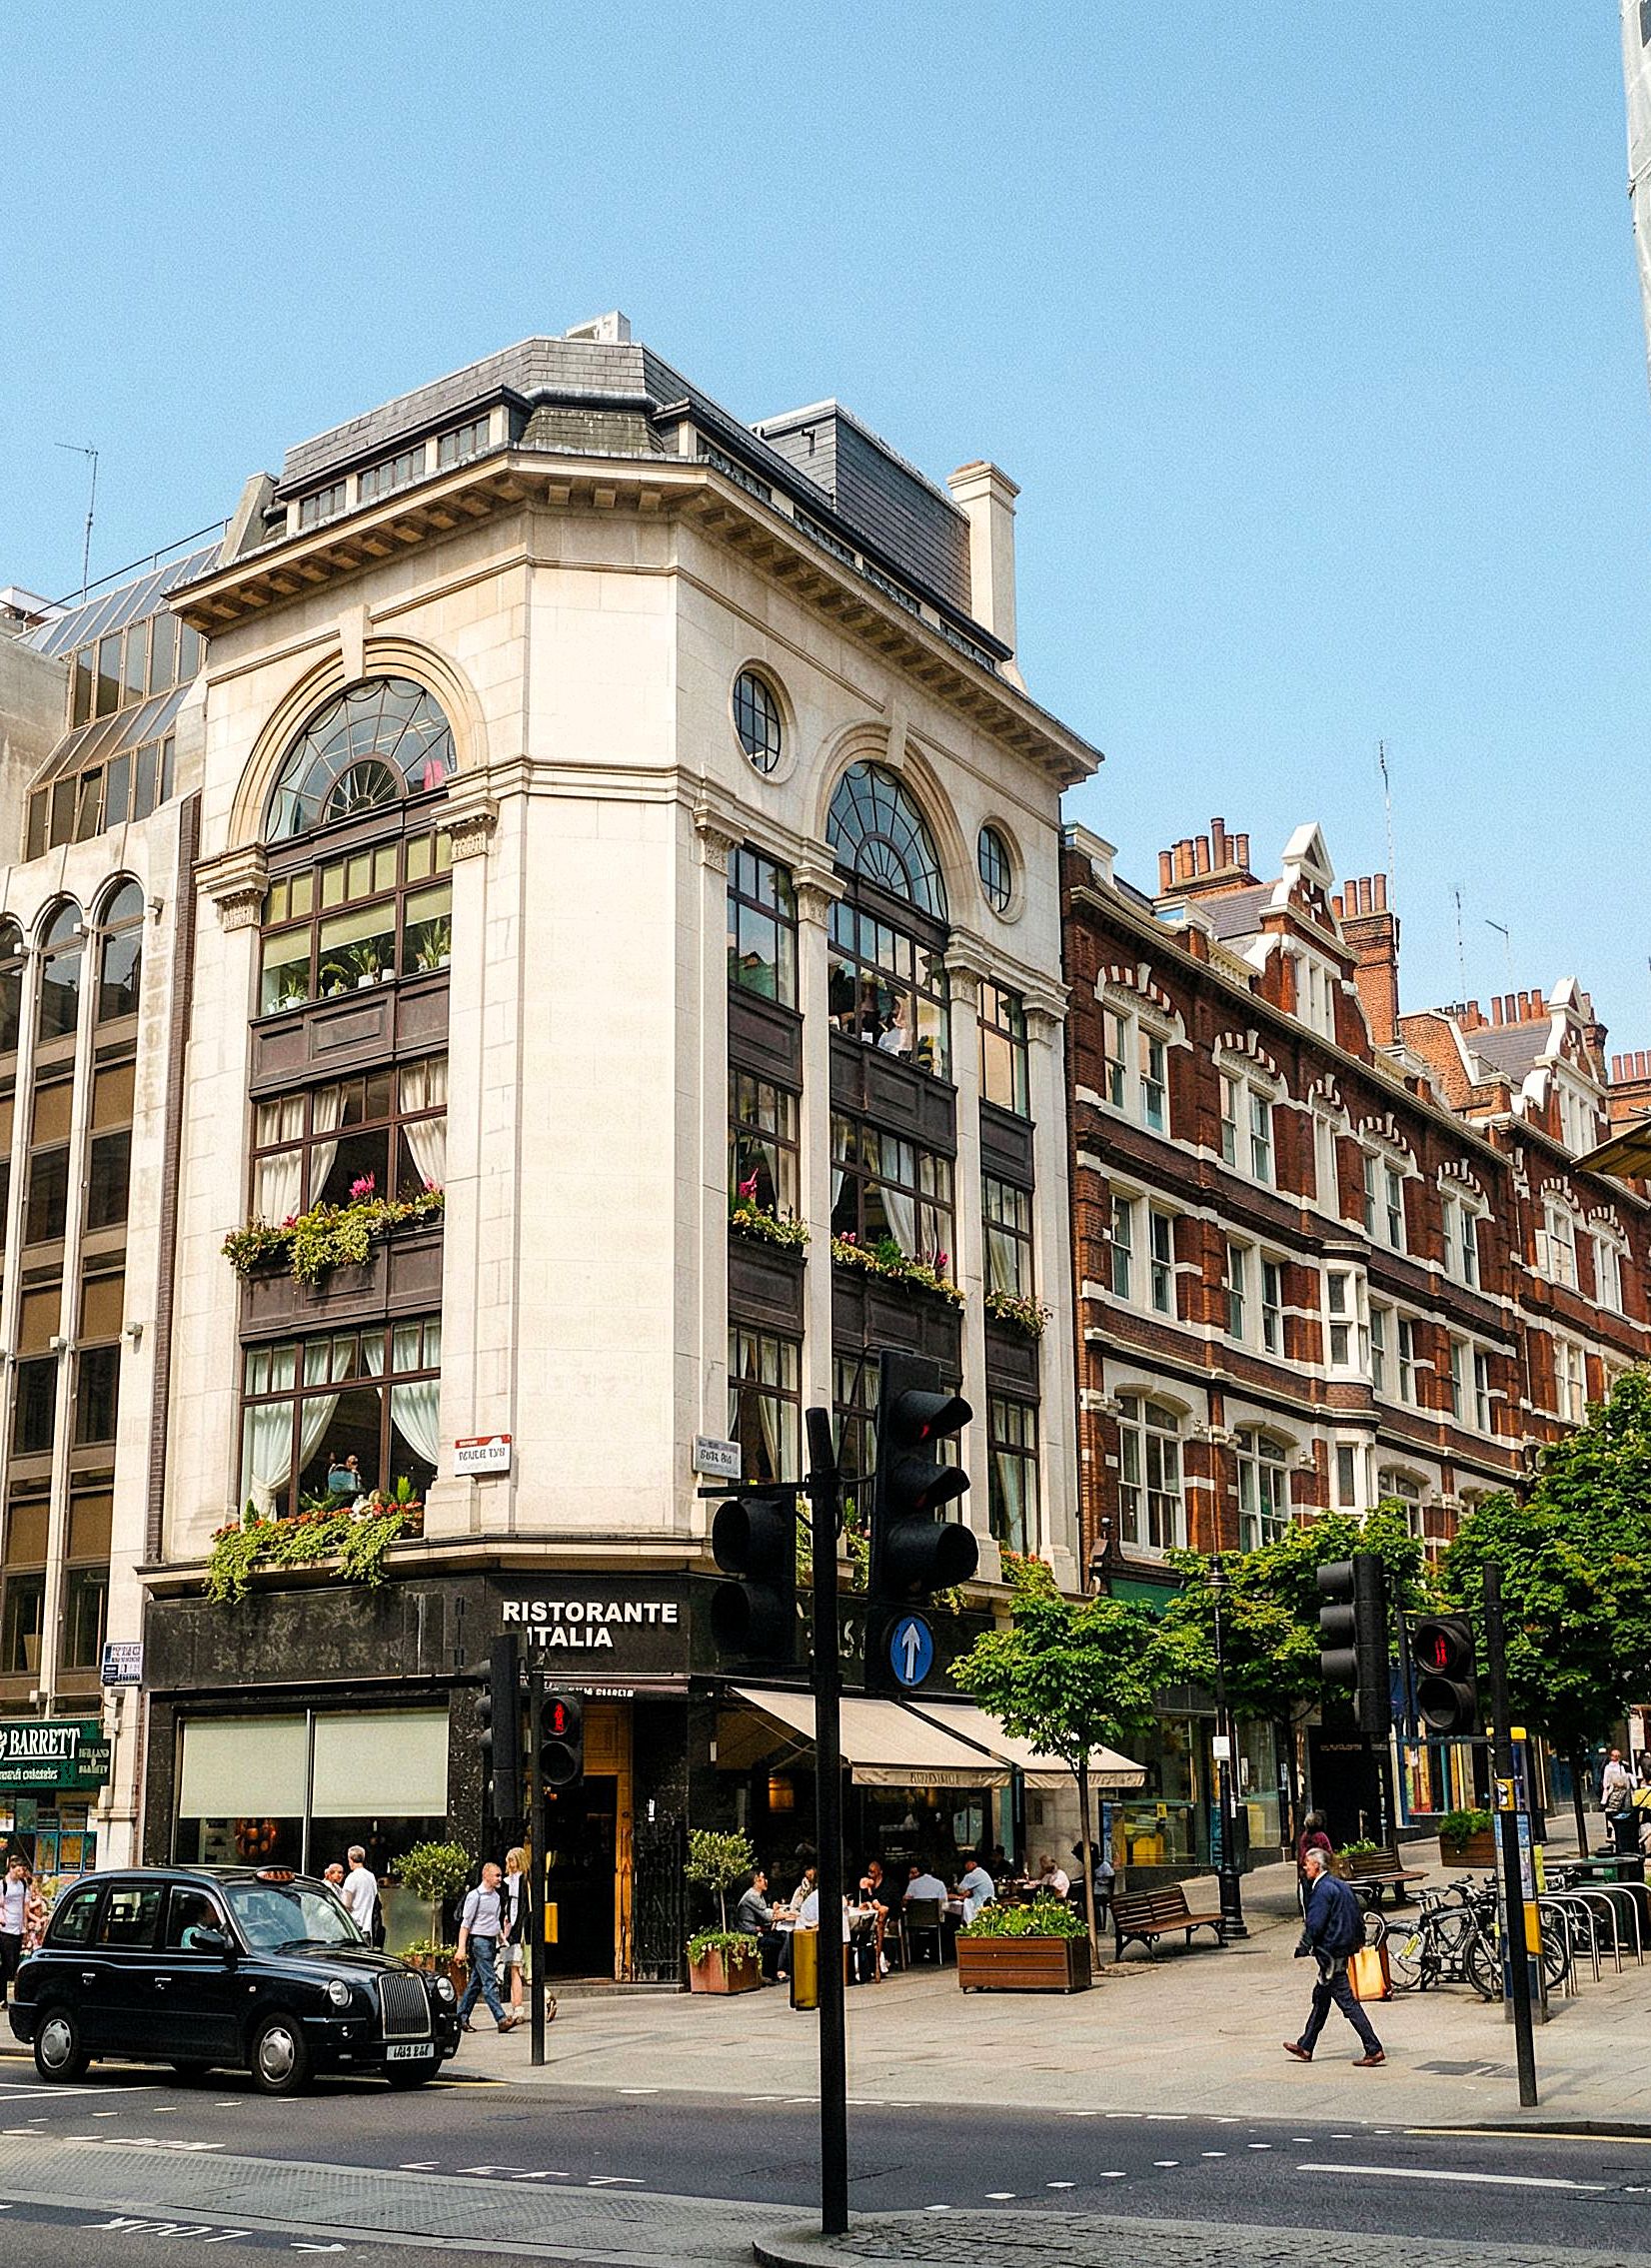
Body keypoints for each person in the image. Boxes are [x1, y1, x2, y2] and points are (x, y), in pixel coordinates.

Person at [1283, 1845, 1384, 2067]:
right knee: (1321, 1998)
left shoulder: (1321, 1890)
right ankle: (1306, 2045)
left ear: (1317, 1866)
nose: (1304, 1867)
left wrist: (1304, 1945)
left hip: (1330, 1952)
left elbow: (1316, 1923)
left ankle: (1373, 2048)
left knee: (1347, 2002)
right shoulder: (1341, 1886)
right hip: (1342, 1948)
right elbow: (1357, 1915)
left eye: (1307, 1864)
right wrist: (1358, 1941)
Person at [457, 1861, 519, 2033]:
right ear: (486, 1876)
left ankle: (460, 2017)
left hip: (491, 1941)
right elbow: (465, 1924)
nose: (500, 1879)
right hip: (480, 1942)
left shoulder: (496, 1897)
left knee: (476, 1983)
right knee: (489, 1981)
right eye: (496, 1876)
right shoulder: (474, 1896)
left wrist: (501, 1938)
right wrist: (461, 1948)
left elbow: (494, 1921)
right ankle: (500, 2018)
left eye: (500, 1875)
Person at [734, 1867, 789, 1983]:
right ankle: (770, 1974)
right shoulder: (751, 1896)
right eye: (762, 1878)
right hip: (750, 1933)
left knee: (784, 1935)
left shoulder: (759, 1895)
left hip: (758, 1930)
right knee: (775, 1942)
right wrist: (783, 1914)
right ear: (756, 1881)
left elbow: (765, 1916)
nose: (765, 1881)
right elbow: (767, 1915)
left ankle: (776, 1971)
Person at [502, 1846, 531, 2017]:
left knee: (523, 1969)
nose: (509, 1864)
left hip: (521, 1928)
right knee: (514, 1967)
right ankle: (517, 2007)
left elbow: (524, 1907)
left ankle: (545, 1998)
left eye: (511, 1860)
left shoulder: (524, 1879)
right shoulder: (507, 1881)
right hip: (511, 1926)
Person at [1295, 1809, 1334, 1915]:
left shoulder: (1304, 1837)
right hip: (1319, 1871)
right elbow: (1329, 1853)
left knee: (1308, 1896)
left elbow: (1301, 1855)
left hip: (1306, 1871)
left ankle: (1310, 1915)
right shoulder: (1321, 1836)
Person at [0, 1855, 28, 2000]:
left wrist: (24, 1925)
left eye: (22, 1871)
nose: (21, 1873)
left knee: (13, 1964)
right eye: (18, 1871)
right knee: (7, 1963)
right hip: (5, 1930)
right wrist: (2, 1918)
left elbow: (25, 1905)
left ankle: (8, 1996)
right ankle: (2, 1996)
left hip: (17, 1929)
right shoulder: (3, 1884)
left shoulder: (22, 1884)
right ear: (11, 1868)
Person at [1602, 1747, 1636, 1855]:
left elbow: (1632, 1781)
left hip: (1624, 1800)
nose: (1616, 1758)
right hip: (1611, 1799)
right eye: (1614, 1756)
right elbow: (1605, 1782)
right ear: (1611, 1756)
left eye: (1618, 1756)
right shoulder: (1608, 1768)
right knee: (1612, 1822)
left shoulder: (1623, 1766)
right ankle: (1613, 1840)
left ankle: (1620, 1846)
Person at [341, 1844, 378, 1936]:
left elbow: (346, 1905)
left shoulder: (352, 1877)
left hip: (355, 1928)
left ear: (350, 1859)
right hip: (368, 1927)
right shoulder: (371, 1876)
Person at [957, 1851, 995, 1923]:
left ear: (974, 1863)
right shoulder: (983, 1873)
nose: (965, 1866)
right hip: (988, 1903)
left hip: (979, 1906)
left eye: (967, 1863)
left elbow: (960, 1890)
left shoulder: (972, 1875)